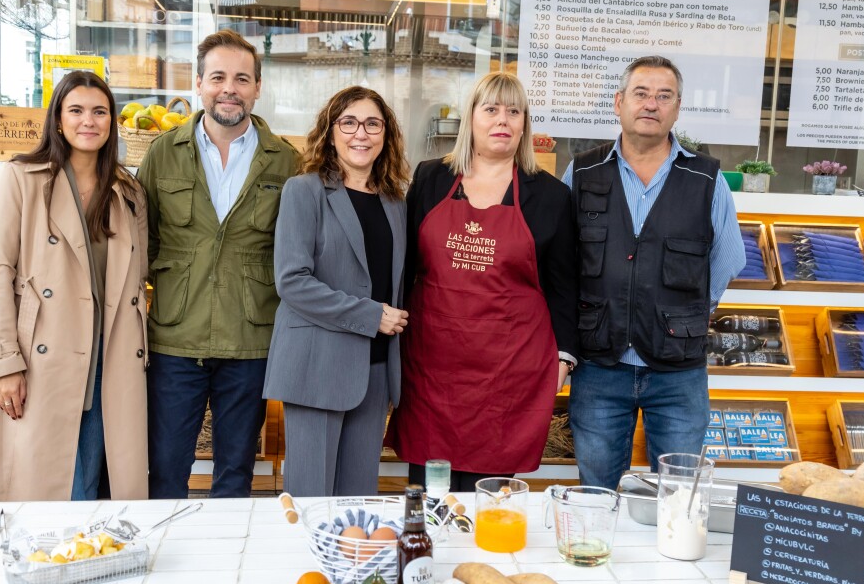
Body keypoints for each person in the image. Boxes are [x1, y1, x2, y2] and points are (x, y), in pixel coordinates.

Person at [384, 72, 577, 492]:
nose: (502, 120)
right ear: (471, 118)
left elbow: (563, 286)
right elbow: (406, 266)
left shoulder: (552, 196)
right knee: (430, 493)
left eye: (513, 111)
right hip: (432, 366)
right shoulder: (432, 178)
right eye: (490, 109)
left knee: (487, 496)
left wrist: (564, 356)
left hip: (506, 371)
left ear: (525, 123)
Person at [0, 70, 149, 501]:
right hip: (42, 356)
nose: (90, 121)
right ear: (58, 119)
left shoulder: (128, 191)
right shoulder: (21, 178)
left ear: (112, 121)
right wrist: (4, 361)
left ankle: (89, 560)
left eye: (100, 112)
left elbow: (138, 276)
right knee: (44, 483)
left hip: (110, 355)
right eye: (77, 110)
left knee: (96, 478)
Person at [563, 55, 746, 490]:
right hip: (599, 365)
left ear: (677, 108)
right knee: (597, 493)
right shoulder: (583, 172)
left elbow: (728, 257)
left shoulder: (704, 177)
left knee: (678, 496)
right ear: (619, 102)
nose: (651, 104)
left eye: (664, 96)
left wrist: (688, 313)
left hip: (677, 373)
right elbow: (561, 260)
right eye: (641, 94)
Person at [138, 29, 298, 499]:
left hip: (250, 341)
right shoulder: (162, 152)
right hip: (174, 337)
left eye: (242, 78)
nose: (230, 88)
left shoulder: (285, 161)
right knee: (165, 468)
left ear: (257, 88)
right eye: (219, 77)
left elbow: (294, 252)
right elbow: (142, 241)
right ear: (200, 84)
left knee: (235, 475)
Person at [263, 86, 410, 496]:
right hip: (318, 365)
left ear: (386, 135)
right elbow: (292, 281)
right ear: (330, 133)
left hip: (377, 369)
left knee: (357, 499)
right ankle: (307, 565)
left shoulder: (395, 201)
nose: (360, 133)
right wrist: (371, 315)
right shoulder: (304, 191)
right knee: (311, 499)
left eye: (372, 124)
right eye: (348, 122)